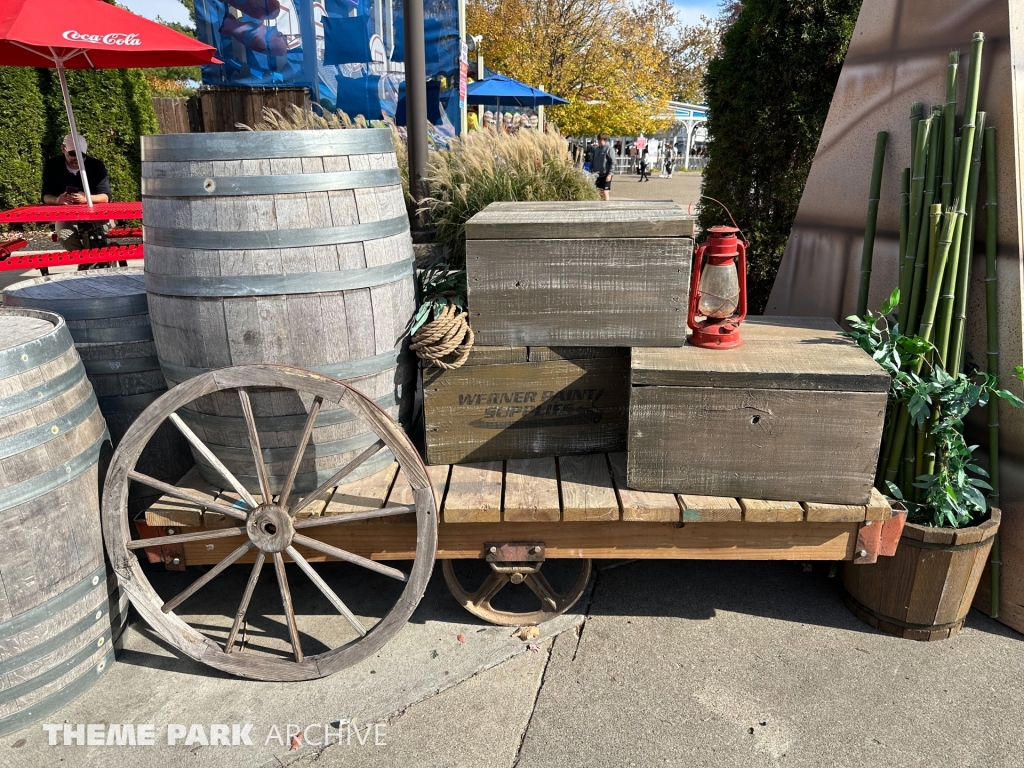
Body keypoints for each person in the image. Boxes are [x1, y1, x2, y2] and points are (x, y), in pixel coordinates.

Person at [42, 134, 113, 253]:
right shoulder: (52, 166)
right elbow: (45, 195)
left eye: (81, 155)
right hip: (66, 214)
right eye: (72, 154)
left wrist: (87, 198)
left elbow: (106, 196)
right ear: (63, 149)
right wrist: (57, 200)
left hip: (95, 213)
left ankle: (87, 262)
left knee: (94, 235)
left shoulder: (96, 165)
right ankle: (89, 261)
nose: (77, 158)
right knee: (65, 236)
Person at [594, 133, 615, 201]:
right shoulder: (597, 149)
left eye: (601, 140)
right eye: (598, 140)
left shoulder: (609, 149)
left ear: (605, 140)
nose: (599, 141)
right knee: (599, 192)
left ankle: (607, 207)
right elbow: (593, 160)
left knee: (605, 191)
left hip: (606, 174)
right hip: (597, 174)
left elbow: (613, 162)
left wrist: (610, 174)